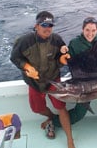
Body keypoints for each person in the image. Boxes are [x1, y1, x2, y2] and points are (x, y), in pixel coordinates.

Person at [10, 11, 75, 148]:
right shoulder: (24, 41)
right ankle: (50, 117)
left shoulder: (56, 39)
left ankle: (70, 140)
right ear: (36, 26)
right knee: (37, 109)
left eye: (50, 25)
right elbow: (15, 57)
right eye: (44, 24)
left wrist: (62, 59)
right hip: (35, 83)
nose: (48, 28)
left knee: (61, 107)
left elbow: (61, 55)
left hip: (53, 80)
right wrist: (27, 67)